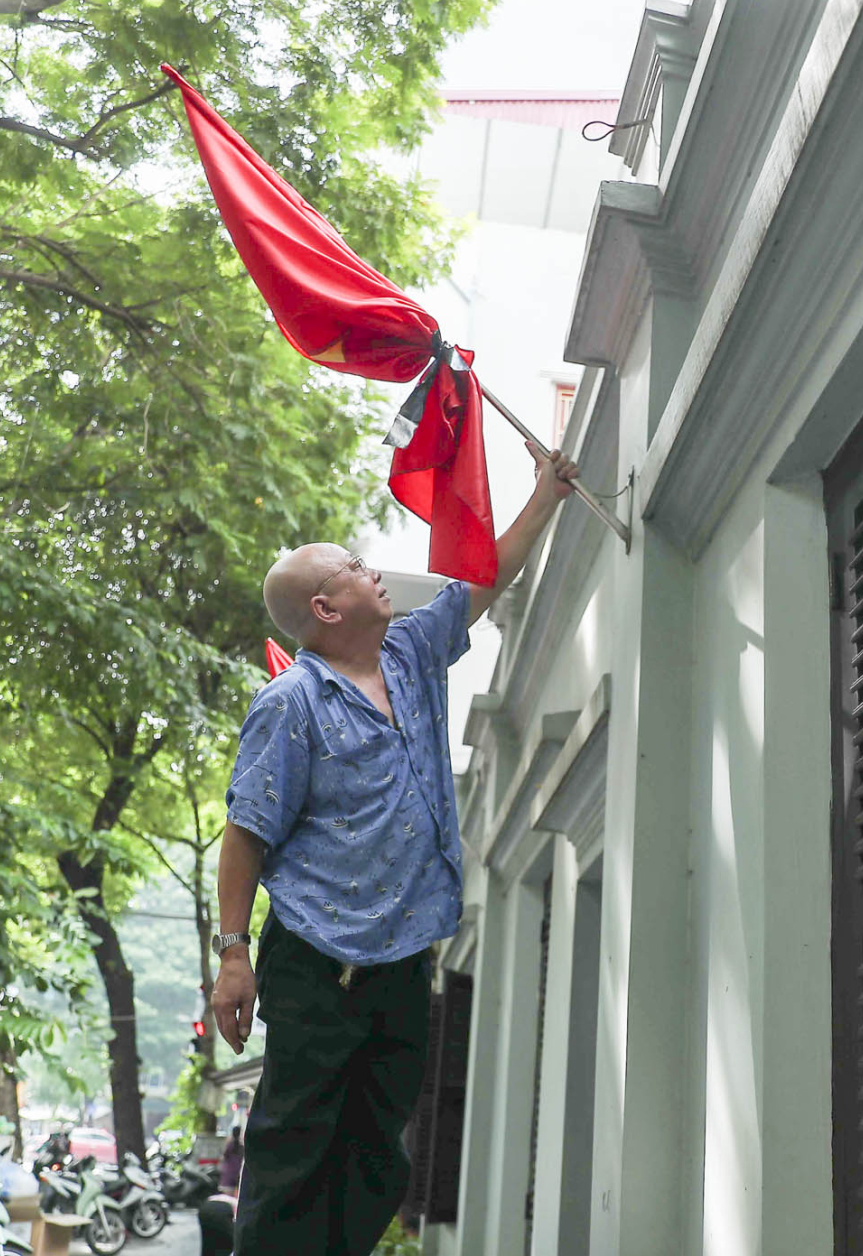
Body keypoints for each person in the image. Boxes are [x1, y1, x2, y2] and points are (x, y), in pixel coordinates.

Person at [214, 445, 579, 1255]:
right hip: (317, 962)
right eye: (351, 566)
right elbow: (245, 831)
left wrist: (547, 492)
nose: (371, 566)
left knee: (380, 1158)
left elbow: (486, 580)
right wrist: (233, 954)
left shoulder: (411, 654)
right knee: (294, 1153)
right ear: (327, 607)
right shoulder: (292, 703)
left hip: (403, 959)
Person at [219, 1125, 243, 1195]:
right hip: (237, 1173)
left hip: (228, 1173)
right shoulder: (241, 1146)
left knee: (227, 1195)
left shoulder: (229, 1145)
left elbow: (224, 1156)